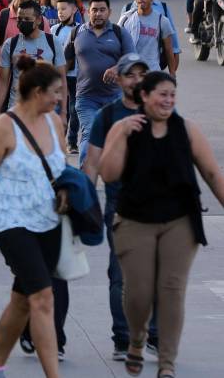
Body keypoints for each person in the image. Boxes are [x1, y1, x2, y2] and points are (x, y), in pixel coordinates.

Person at [99, 72, 224, 378]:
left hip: (179, 222)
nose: (168, 100)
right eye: (162, 94)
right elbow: (109, 173)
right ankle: (137, 340)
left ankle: (167, 362)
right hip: (134, 220)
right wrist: (119, 135)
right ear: (145, 97)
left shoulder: (186, 130)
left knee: (171, 290)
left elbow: (211, 173)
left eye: (172, 94)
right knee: (138, 293)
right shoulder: (125, 128)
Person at [0, 57, 69, 378]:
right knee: (43, 298)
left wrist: (66, 191)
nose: (60, 98)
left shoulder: (55, 123)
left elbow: (60, 169)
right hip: (12, 224)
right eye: (56, 92)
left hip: (49, 222)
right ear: (37, 92)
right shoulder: (5, 127)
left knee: (23, 300)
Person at [82, 53, 157, 362]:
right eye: (130, 75)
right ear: (120, 79)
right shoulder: (107, 116)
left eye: (142, 74)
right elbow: (92, 164)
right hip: (120, 206)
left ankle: (153, 336)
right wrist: (85, 208)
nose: (137, 80)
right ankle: (123, 338)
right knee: (121, 275)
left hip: (157, 206)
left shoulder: (160, 112)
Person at [65, 0, 136, 160]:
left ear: (109, 12)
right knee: (90, 135)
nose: (98, 14)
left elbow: (132, 59)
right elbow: (64, 63)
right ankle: (86, 182)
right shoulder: (77, 33)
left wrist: (117, 68)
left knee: (117, 139)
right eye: (94, 10)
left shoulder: (119, 33)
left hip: (115, 97)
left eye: (102, 10)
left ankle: (116, 182)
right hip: (86, 98)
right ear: (88, 12)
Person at [0, 1, 67, 125]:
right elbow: (2, 81)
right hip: (16, 111)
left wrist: (63, 113)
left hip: (45, 111)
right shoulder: (10, 44)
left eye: (27, 19)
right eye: (19, 19)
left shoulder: (53, 42)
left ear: (38, 20)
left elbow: (62, 80)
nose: (22, 22)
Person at [121, 0, 180, 68]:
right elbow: (119, 38)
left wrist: (173, 69)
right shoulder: (127, 11)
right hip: (131, 67)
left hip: (153, 66)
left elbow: (172, 41)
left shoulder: (162, 9)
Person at [52, 0, 81, 154]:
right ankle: (58, 141)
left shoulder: (80, 29)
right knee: (59, 109)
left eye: (64, 9)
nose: (60, 13)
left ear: (74, 9)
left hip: (75, 76)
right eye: (58, 10)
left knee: (74, 109)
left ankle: (72, 141)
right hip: (58, 77)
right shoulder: (54, 30)